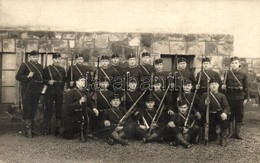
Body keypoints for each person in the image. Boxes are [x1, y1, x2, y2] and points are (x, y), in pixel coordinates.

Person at [15, 50, 43, 138]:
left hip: (36, 91)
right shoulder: (25, 65)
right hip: (27, 91)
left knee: (34, 109)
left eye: (37, 57)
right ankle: (28, 130)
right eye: (34, 57)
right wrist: (27, 76)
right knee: (27, 109)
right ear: (30, 57)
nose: (36, 58)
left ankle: (32, 129)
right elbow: (18, 77)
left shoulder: (40, 66)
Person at [221, 56, 250, 140]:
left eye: (236, 63)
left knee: (239, 114)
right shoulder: (227, 73)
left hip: (240, 96)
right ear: (230, 64)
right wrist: (223, 87)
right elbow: (224, 85)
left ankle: (237, 133)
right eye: (232, 63)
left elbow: (246, 87)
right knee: (230, 114)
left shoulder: (243, 74)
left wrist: (246, 98)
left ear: (239, 64)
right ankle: (230, 132)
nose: (234, 64)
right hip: (229, 96)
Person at [63, 76, 98, 140]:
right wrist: (79, 102)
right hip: (72, 115)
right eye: (82, 80)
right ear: (76, 82)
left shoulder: (86, 91)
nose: (84, 82)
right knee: (69, 136)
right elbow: (68, 107)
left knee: (93, 113)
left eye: (84, 81)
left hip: (83, 112)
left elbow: (90, 102)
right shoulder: (70, 92)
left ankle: (88, 132)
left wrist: (94, 108)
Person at [200, 78, 230, 146]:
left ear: (218, 85)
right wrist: (205, 103)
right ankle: (205, 136)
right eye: (212, 84)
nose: (214, 86)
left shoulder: (222, 95)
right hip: (208, 114)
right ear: (209, 86)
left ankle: (223, 138)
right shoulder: (205, 95)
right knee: (212, 136)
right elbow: (200, 108)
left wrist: (224, 113)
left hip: (218, 114)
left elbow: (227, 107)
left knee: (224, 118)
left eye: (215, 84)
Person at [43, 53, 66, 135]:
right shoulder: (47, 69)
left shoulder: (62, 69)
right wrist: (48, 81)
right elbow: (43, 80)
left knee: (59, 109)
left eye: (59, 59)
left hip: (59, 92)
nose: (57, 60)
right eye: (55, 59)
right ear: (52, 59)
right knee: (48, 109)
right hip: (49, 92)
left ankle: (58, 128)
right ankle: (46, 128)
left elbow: (64, 81)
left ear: (60, 60)